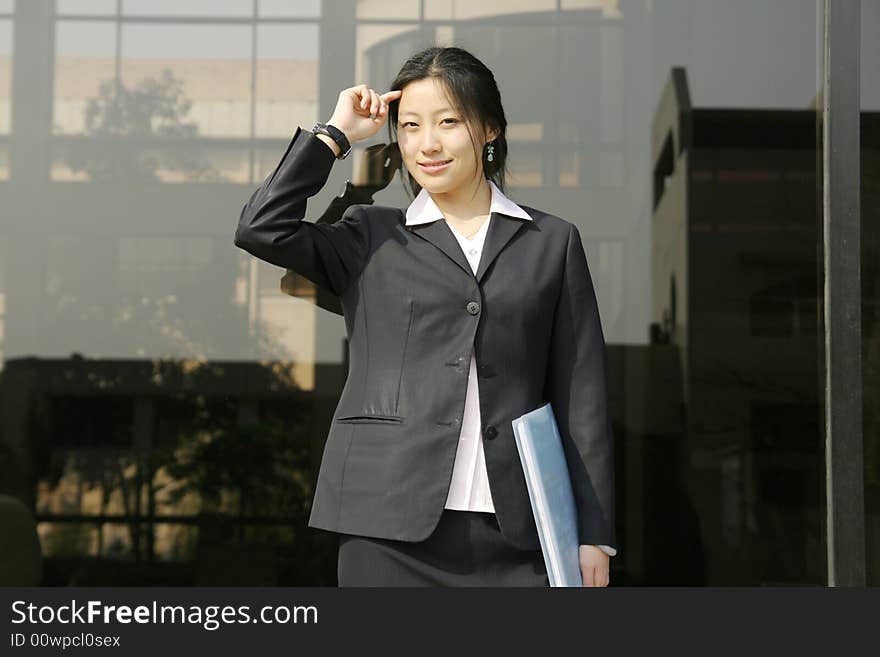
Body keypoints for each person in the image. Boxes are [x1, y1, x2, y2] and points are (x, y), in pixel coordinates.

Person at [235, 46, 616, 587]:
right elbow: (261, 228)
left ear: (489, 129)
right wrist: (334, 136)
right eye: (410, 126)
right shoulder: (370, 235)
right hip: (386, 529)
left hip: (519, 533)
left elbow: (582, 393)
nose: (426, 144)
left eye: (448, 122)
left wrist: (592, 531)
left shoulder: (551, 242)